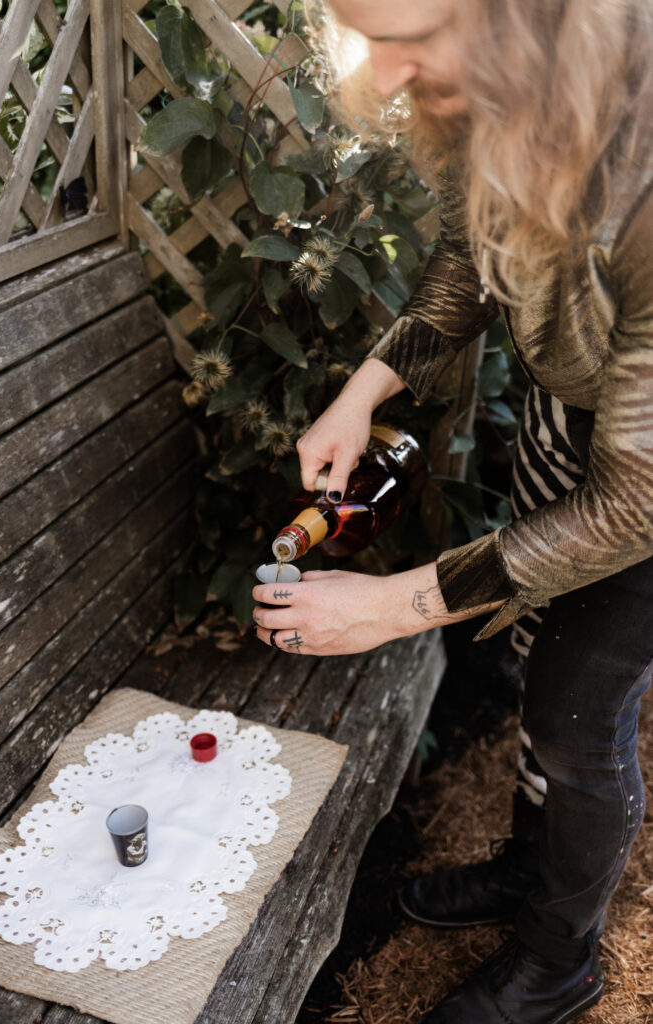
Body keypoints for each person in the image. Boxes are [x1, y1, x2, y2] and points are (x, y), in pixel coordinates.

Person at [251, 1, 653, 1021]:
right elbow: (465, 263)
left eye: (409, 36)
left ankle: (558, 962)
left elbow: (634, 500)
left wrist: (390, 607)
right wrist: (361, 391)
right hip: (579, 416)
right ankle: (531, 868)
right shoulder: (506, 95)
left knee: (576, 712)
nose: (379, 78)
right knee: (537, 664)